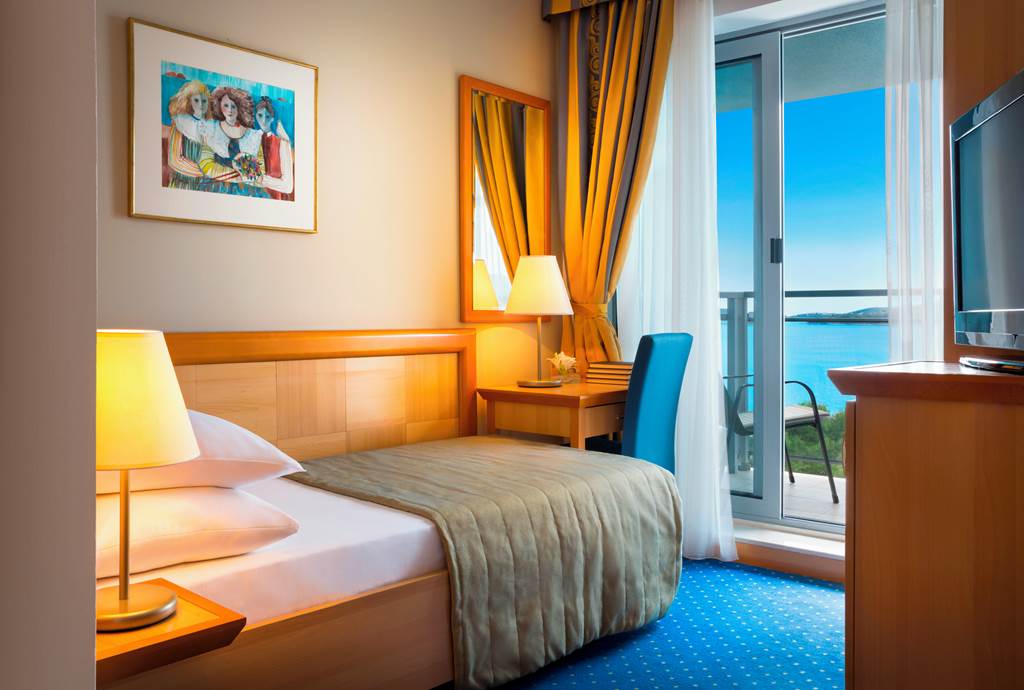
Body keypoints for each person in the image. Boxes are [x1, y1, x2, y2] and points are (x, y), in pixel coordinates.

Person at [195, 86, 269, 197]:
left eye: (233, 106)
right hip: (216, 187)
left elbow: (260, 172)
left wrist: (248, 170)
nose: (230, 110)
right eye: (226, 105)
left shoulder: (253, 135)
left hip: (248, 191)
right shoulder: (211, 129)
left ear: (240, 107)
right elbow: (205, 163)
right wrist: (236, 177)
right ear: (219, 105)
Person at [165, 80, 212, 190]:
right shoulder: (180, 123)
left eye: (204, 100)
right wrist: (203, 172)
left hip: (204, 186)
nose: (201, 105)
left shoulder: (210, 127)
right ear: (189, 101)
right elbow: (174, 160)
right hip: (182, 183)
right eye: (196, 100)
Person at [254, 96, 294, 200]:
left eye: (267, 116)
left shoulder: (282, 143)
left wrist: (262, 180)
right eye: (260, 115)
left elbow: (288, 186)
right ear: (256, 115)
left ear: (272, 118)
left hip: (275, 200)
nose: (263, 120)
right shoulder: (253, 138)